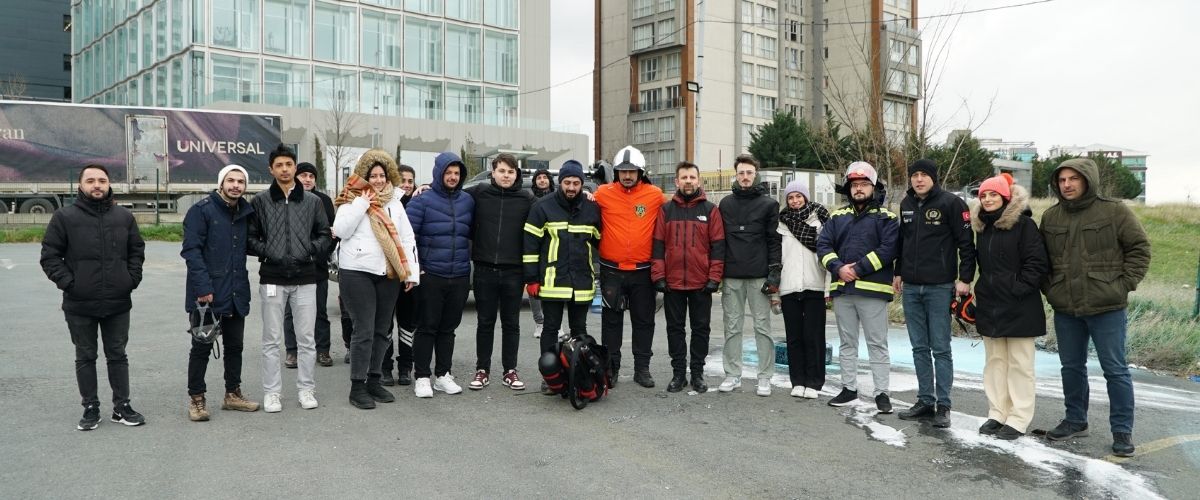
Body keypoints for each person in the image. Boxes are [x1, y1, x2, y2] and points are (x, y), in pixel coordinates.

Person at [1040, 158, 1150, 457]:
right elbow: (1043, 262)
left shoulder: (1114, 211)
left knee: (1115, 370)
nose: (1067, 185)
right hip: (1066, 308)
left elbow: (1139, 248)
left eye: (1074, 178)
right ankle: (1075, 420)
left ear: (1087, 180)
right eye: (1062, 180)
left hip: (1107, 306)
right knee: (1071, 367)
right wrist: (1051, 290)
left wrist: (1123, 284)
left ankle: (1122, 431)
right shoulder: (1051, 217)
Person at [41, 164, 147, 430]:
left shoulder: (124, 217)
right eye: (91, 180)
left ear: (109, 184)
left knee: (117, 355)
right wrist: (70, 284)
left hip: (118, 301)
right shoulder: (64, 217)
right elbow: (50, 256)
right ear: (81, 186)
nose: (97, 185)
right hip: (79, 303)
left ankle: (122, 407)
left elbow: (136, 250)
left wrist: (130, 280)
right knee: (85, 356)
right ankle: (90, 407)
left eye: (102, 180)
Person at [247, 144, 333, 413]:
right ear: (271, 169)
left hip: (306, 278)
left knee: (306, 339)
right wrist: (270, 253)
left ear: (295, 167)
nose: (285, 169)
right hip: (272, 278)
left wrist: (309, 251)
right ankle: (272, 393)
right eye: (279, 165)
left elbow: (324, 234)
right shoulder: (260, 201)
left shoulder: (313, 201)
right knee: (271, 339)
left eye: (289, 164)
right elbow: (250, 238)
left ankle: (306, 389)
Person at [332, 150, 420, 409]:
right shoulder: (350, 198)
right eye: (373, 176)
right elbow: (340, 230)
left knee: (382, 331)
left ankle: (374, 380)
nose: (379, 180)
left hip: (388, 273)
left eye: (382, 175)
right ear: (365, 176)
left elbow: (407, 239)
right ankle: (357, 386)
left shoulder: (394, 202)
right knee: (364, 330)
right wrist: (362, 203)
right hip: (356, 271)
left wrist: (410, 273)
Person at [894, 159, 977, 428]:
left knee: (940, 348)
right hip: (911, 287)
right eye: (914, 175)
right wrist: (898, 271)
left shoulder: (951, 203)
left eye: (924, 175)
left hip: (940, 286)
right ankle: (925, 400)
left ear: (934, 178)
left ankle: (944, 405)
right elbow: (902, 242)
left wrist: (965, 278)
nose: (918, 179)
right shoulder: (906, 204)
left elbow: (966, 244)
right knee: (919, 347)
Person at [180, 165, 261, 421]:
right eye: (231, 180)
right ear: (221, 183)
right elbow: (191, 251)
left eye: (240, 181)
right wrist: (203, 288)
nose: (236, 185)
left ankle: (232, 394)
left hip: (237, 292)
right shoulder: (201, 211)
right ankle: (197, 399)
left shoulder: (245, 213)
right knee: (201, 347)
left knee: (235, 346)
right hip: (207, 294)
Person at [817, 162, 899, 413]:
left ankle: (882, 393)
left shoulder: (888, 218)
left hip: (873, 291)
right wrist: (839, 268)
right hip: (844, 290)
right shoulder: (836, 216)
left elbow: (888, 250)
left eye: (864, 184)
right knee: (847, 343)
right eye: (855, 185)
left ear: (873, 188)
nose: (859, 189)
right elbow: (823, 246)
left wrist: (857, 269)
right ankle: (848, 388)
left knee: (877, 344)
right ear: (849, 189)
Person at [971, 175, 1048, 440]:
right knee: (995, 362)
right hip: (990, 303)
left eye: (993, 195)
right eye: (983, 195)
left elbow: (1036, 263)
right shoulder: (982, 228)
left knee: (1020, 364)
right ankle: (997, 413)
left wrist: (1017, 288)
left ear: (1005, 197)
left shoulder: (1024, 224)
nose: (988, 199)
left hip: (1019, 304)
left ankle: (1018, 417)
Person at [523, 160, 602, 393]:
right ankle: (551, 376)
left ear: (582, 184)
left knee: (579, 330)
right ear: (560, 183)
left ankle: (580, 372)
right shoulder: (542, 207)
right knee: (550, 329)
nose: (571, 187)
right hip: (552, 282)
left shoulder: (591, 208)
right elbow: (530, 246)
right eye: (567, 182)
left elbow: (600, 242)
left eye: (576, 183)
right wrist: (531, 279)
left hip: (581, 283)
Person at [464, 153, 536, 391]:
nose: (506, 176)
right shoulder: (480, 193)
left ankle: (510, 371)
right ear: (493, 172)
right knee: (485, 322)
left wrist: (589, 195)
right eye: (502, 171)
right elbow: (449, 191)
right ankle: (482, 370)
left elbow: (551, 205)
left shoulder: (526, 198)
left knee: (511, 323)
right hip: (484, 269)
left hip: (514, 272)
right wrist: (425, 187)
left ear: (516, 174)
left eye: (510, 171)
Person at [594, 145, 665, 388]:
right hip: (611, 270)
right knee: (611, 322)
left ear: (640, 172)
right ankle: (611, 369)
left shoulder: (655, 195)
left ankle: (642, 369)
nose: (627, 175)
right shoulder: (602, 193)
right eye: (623, 171)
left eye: (632, 171)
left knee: (644, 321)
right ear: (616, 172)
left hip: (643, 272)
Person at [651, 161, 724, 393]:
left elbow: (718, 246)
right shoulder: (666, 210)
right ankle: (678, 374)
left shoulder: (711, 210)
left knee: (701, 329)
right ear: (677, 181)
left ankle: (698, 373)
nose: (689, 181)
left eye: (692, 177)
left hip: (701, 283)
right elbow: (658, 245)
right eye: (684, 178)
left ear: (699, 181)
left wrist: (714, 277)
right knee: (675, 329)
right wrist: (659, 275)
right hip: (672, 283)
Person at [406, 152, 474, 398]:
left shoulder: (468, 200)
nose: (453, 177)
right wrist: (417, 268)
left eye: (457, 173)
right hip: (431, 274)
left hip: (459, 275)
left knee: (448, 328)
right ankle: (422, 377)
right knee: (427, 327)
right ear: (438, 173)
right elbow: (407, 238)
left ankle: (443, 375)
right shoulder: (421, 201)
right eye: (448, 172)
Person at [717, 154, 781, 396]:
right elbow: (719, 241)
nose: (745, 177)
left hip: (759, 276)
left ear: (756, 175)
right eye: (741, 173)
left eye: (749, 173)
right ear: (736, 175)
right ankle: (732, 374)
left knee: (762, 327)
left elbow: (774, 241)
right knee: (732, 327)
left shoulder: (769, 205)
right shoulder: (725, 204)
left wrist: (774, 273)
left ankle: (764, 377)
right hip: (731, 275)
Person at [772, 180, 830, 399]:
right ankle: (797, 381)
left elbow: (829, 254)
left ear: (806, 197)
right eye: (790, 197)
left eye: (799, 196)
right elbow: (777, 260)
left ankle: (814, 383)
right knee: (794, 337)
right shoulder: (781, 224)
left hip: (814, 286)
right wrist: (775, 293)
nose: (795, 201)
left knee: (813, 336)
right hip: (789, 287)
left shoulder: (821, 219)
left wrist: (827, 290)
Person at [283, 162, 336, 369]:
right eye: (303, 175)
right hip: (291, 268)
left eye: (311, 176)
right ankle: (292, 352)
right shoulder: (287, 199)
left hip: (317, 268)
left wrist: (320, 253)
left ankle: (322, 350)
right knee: (291, 312)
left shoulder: (323, 201)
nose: (307, 179)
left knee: (319, 311)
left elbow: (333, 232)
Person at [382, 163, 419, 386]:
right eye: (402, 180)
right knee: (385, 323)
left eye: (410, 181)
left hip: (408, 275)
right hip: (386, 274)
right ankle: (385, 368)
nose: (406, 185)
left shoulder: (419, 204)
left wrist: (413, 272)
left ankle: (406, 367)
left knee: (408, 322)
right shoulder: (385, 203)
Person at [527, 167, 555, 339]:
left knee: (554, 288)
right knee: (534, 287)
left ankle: (554, 324)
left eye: (545, 177)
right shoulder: (529, 199)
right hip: (536, 247)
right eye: (539, 178)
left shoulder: (559, 197)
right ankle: (539, 323)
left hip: (554, 248)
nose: (542, 180)